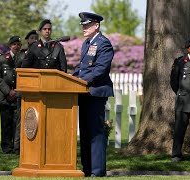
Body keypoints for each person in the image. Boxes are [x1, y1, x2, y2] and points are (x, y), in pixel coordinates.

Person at [72, 12, 114, 177]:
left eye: (87, 25)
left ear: (96, 25)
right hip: (83, 92)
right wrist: (71, 79)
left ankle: (97, 170)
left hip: (95, 93)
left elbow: (100, 69)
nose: (83, 28)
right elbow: (81, 68)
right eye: (82, 25)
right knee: (85, 131)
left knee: (95, 132)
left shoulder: (104, 44)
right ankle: (87, 169)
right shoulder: (86, 43)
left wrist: (82, 82)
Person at [0, 36, 22, 154]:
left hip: (17, 95)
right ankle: (6, 147)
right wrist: (8, 91)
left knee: (17, 124)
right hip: (4, 97)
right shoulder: (2, 58)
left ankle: (16, 148)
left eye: (18, 44)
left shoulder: (23, 58)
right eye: (14, 44)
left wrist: (17, 91)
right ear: (10, 46)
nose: (16, 46)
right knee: (5, 123)